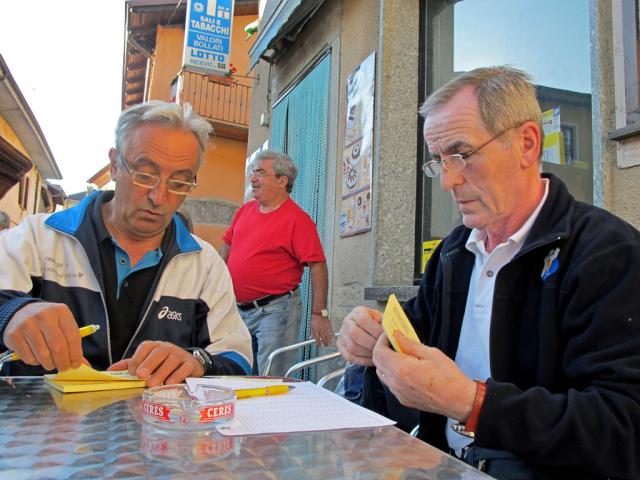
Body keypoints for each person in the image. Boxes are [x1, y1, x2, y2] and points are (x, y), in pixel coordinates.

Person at [337, 66, 640, 479]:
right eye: (439, 161)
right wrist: (370, 348)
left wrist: (473, 403)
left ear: (527, 145)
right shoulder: (455, 252)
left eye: (461, 154)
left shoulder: (606, 252)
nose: (448, 180)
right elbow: (402, 378)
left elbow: (623, 426)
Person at [0, 100, 253, 385]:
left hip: (156, 426)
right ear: (114, 164)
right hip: (40, 423)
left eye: (179, 183)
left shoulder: (204, 264)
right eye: (145, 175)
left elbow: (238, 358)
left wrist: (197, 361)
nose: (159, 197)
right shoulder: (38, 238)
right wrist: (12, 312)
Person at [220, 150, 333, 376]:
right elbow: (226, 248)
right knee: (238, 373)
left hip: (275, 311)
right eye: (253, 172)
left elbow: (318, 265)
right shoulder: (244, 211)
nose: (252, 178)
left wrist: (320, 314)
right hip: (237, 310)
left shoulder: (298, 221)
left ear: (282, 181)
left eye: (260, 173)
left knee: (271, 378)